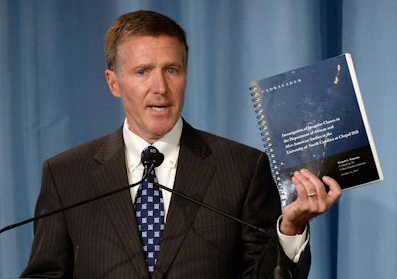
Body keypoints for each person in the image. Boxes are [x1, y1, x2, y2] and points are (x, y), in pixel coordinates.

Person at [21, 10, 341, 278]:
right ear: (114, 83)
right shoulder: (66, 175)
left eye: (171, 70)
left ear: (185, 74)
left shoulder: (242, 168)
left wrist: (291, 225)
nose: (160, 87)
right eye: (142, 71)